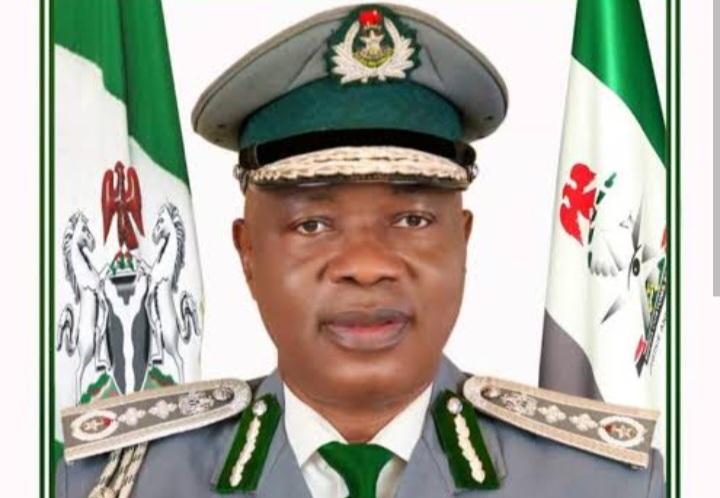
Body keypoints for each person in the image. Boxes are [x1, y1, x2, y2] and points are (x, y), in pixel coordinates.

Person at [56, 4, 664, 498]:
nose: (367, 266)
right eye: (313, 224)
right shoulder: (116, 483)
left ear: (463, 240)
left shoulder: (601, 486)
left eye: (413, 218)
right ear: (248, 253)